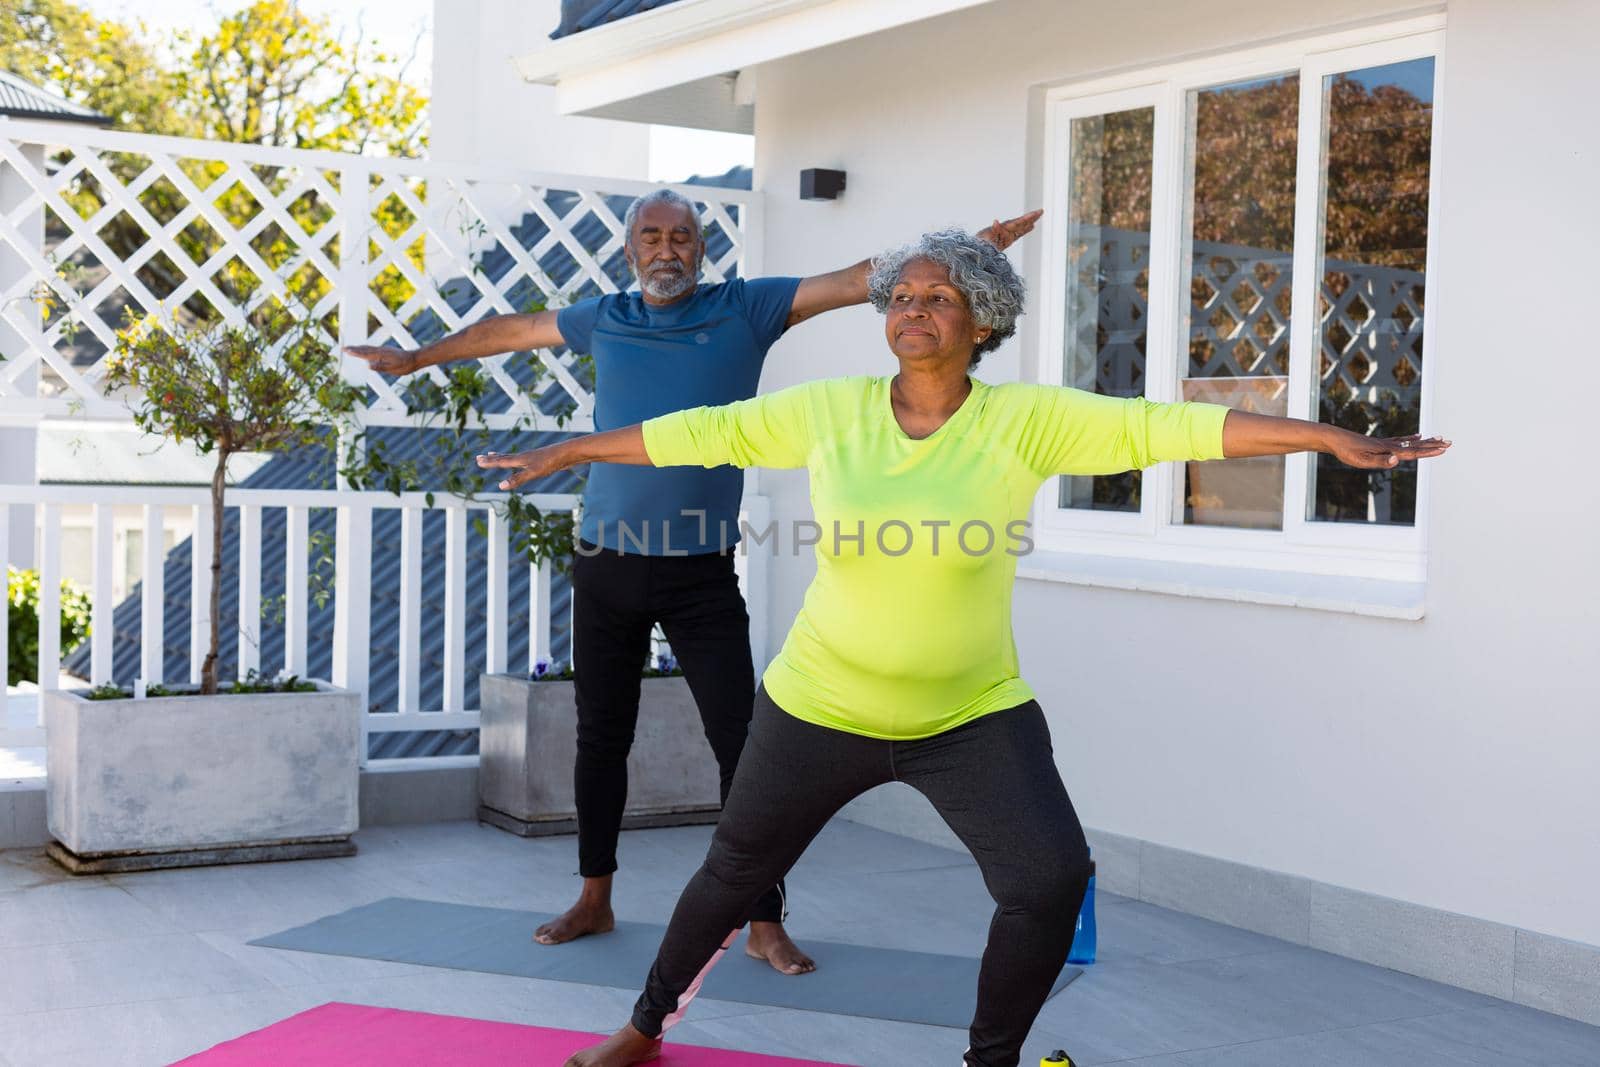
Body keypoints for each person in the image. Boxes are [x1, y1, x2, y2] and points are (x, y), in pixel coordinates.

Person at [476, 228, 1451, 1067]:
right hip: (818, 703)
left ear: (980, 319)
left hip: (969, 713)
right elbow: (702, 430)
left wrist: (1325, 440)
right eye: (898, 296)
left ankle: (989, 1059)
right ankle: (644, 1026)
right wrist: (570, 451)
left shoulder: (1024, 421)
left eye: (936, 296)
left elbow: (1174, 426)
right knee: (730, 874)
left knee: (1049, 877)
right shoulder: (831, 410)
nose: (911, 308)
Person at [346, 191, 1043, 976]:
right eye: (652, 235)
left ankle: (764, 919)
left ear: (703, 250)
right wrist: (414, 358)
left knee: (742, 746)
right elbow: (509, 330)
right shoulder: (603, 316)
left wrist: (969, 248)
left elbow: (862, 279)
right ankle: (594, 894)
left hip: (701, 571)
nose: (667, 247)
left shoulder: (748, 308)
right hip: (607, 559)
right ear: (630, 249)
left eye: (683, 236)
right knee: (600, 735)